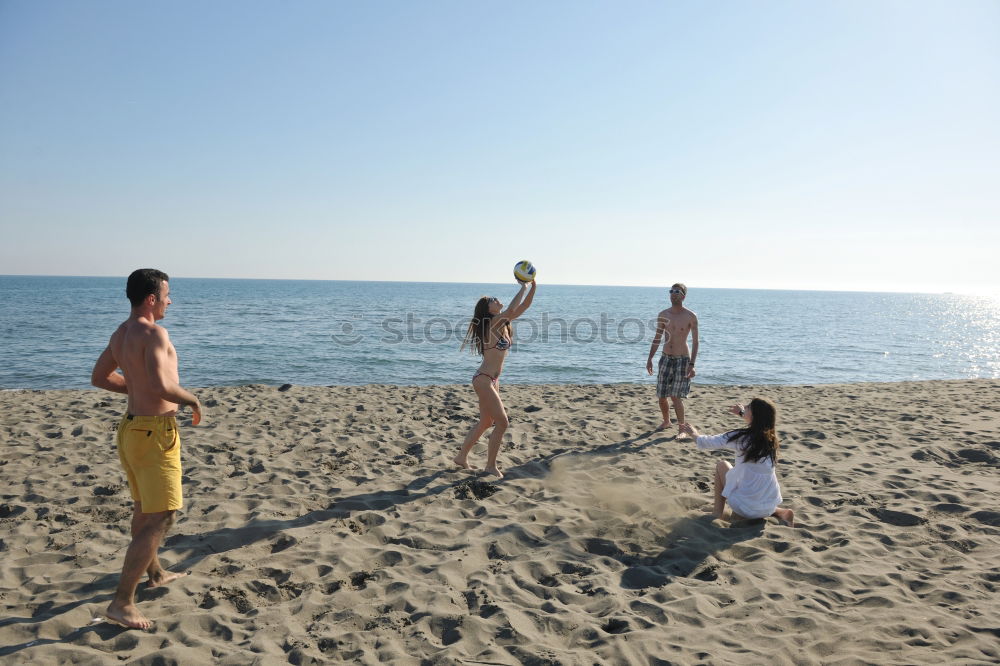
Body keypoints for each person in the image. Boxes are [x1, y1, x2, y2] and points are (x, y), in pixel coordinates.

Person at [90, 269, 203, 629]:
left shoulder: (121, 333)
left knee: (144, 509)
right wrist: (193, 400)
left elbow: (100, 377)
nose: (171, 300)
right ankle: (122, 602)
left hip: (131, 430)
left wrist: (136, 388)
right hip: (155, 433)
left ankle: (154, 573)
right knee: (163, 515)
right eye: (167, 295)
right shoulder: (154, 332)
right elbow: (162, 385)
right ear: (151, 299)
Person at [453, 278, 536, 478]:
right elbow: (511, 309)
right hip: (483, 380)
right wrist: (523, 287)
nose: (497, 300)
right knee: (502, 423)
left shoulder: (504, 324)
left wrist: (533, 286)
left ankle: (461, 458)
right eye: (492, 299)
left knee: (485, 423)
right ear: (487, 308)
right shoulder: (491, 323)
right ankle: (490, 466)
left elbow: (523, 306)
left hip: (492, 380)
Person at [679, 398, 794, 526]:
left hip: (745, 509)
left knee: (722, 465)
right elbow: (757, 424)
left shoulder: (740, 437)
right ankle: (782, 512)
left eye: (748, 407)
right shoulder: (772, 440)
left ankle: (717, 512)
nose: (745, 407)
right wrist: (742, 414)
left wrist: (694, 434)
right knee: (755, 487)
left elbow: (705, 442)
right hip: (770, 506)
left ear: (755, 416)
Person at [646, 283, 698, 434]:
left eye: (677, 291)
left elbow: (696, 342)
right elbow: (657, 338)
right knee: (661, 395)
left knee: (676, 396)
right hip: (666, 358)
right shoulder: (663, 314)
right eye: (671, 291)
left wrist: (692, 364)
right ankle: (666, 421)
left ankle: (682, 428)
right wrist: (650, 358)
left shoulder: (690, 316)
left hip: (682, 359)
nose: (673, 293)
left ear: (683, 296)